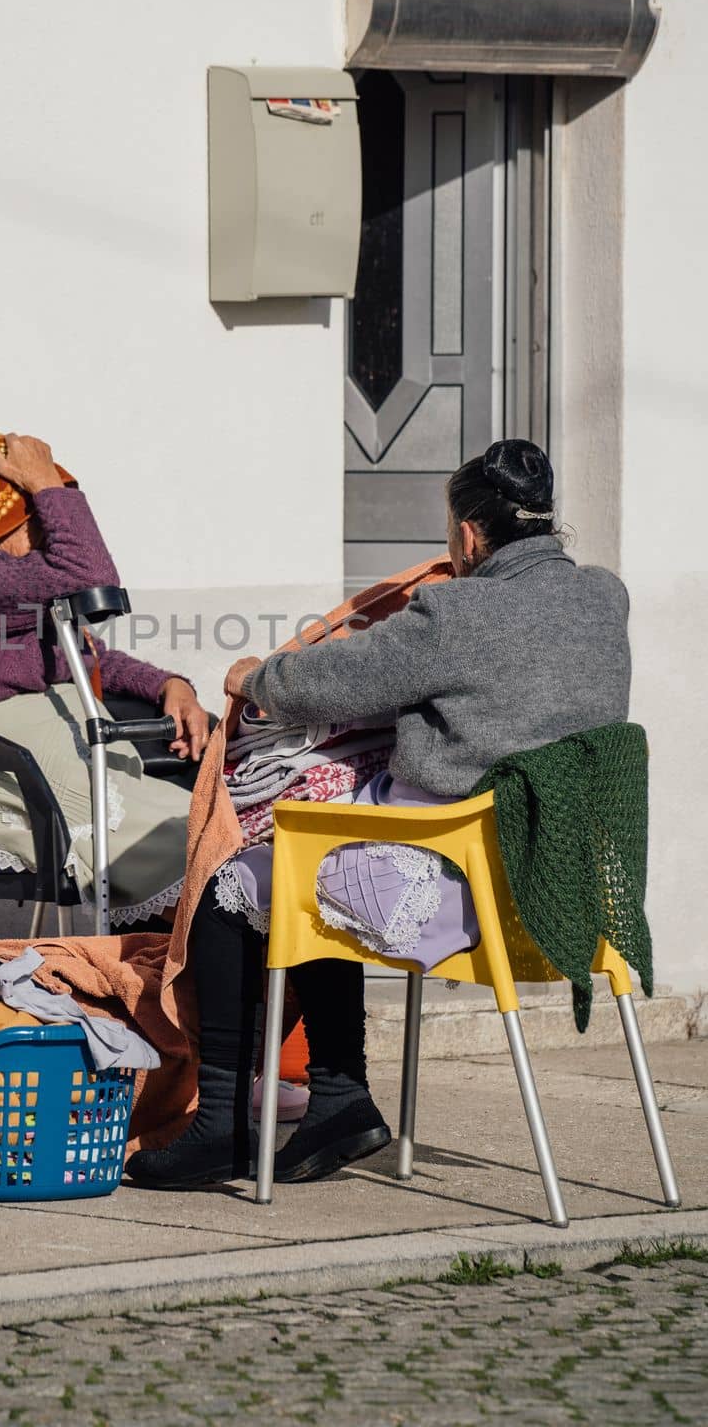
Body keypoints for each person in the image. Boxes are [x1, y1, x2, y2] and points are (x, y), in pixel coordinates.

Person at [127, 439, 632, 1188]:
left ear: (466, 535)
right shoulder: (603, 595)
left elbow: (340, 680)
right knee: (315, 869)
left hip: (459, 884)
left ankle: (223, 1121)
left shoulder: (459, 609)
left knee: (237, 884)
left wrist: (257, 676)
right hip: (566, 887)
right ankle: (338, 1099)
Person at [0, 430, 210, 925]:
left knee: (208, 821)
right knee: (193, 842)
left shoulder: (7, 590)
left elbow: (82, 654)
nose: (45, 531)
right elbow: (90, 576)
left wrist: (170, 685)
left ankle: (212, 974)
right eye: (34, 514)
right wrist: (44, 480)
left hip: (56, 757)